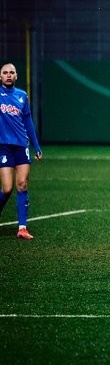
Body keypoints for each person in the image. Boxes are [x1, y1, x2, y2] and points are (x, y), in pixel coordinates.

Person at [0, 62, 43, 239]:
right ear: (0, 76)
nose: (9, 75)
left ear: (16, 76)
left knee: (22, 184)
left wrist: (36, 145)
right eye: (5, 72)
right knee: (7, 188)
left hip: (21, 146)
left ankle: (22, 228)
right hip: (3, 147)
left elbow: (28, 122)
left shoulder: (22, 96)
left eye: (12, 72)